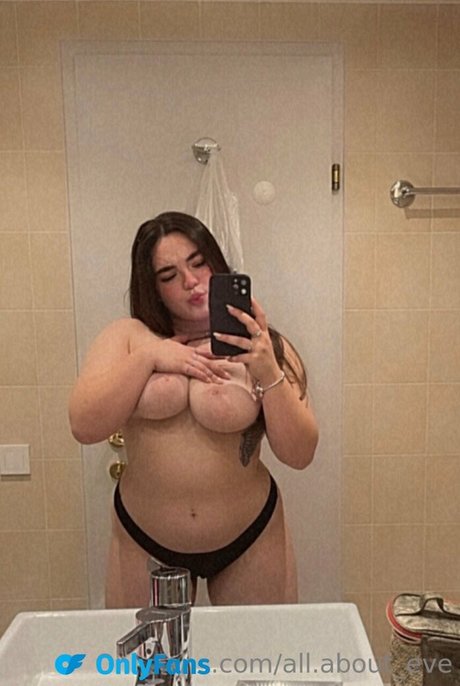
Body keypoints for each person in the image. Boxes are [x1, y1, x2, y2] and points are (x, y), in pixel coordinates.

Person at [69, 211, 318, 607]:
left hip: (250, 535)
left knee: (254, 648)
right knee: (147, 651)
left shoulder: (263, 346)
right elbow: (84, 425)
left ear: (217, 264)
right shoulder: (128, 337)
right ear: (152, 287)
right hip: (143, 537)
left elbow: (300, 454)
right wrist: (149, 358)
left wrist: (268, 369)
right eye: (169, 275)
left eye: (199, 263)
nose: (190, 281)